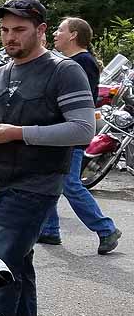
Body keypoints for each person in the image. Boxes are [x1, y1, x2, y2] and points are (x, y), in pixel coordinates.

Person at [0, 0, 96, 316]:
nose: (10, 37)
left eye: (20, 30)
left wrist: (19, 133)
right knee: (18, 265)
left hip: (36, 184)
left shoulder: (64, 71)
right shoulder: (0, 73)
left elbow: (82, 130)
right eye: (5, 30)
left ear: (41, 30)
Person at [38, 17, 121, 254]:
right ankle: (50, 230)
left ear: (73, 35)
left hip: (71, 132)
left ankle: (106, 229)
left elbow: (79, 100)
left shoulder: (82, 62)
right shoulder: (72, 61)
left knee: (69, 184)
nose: (55, 33)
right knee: (50, 179)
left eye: (60, 30)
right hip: (62, 131)